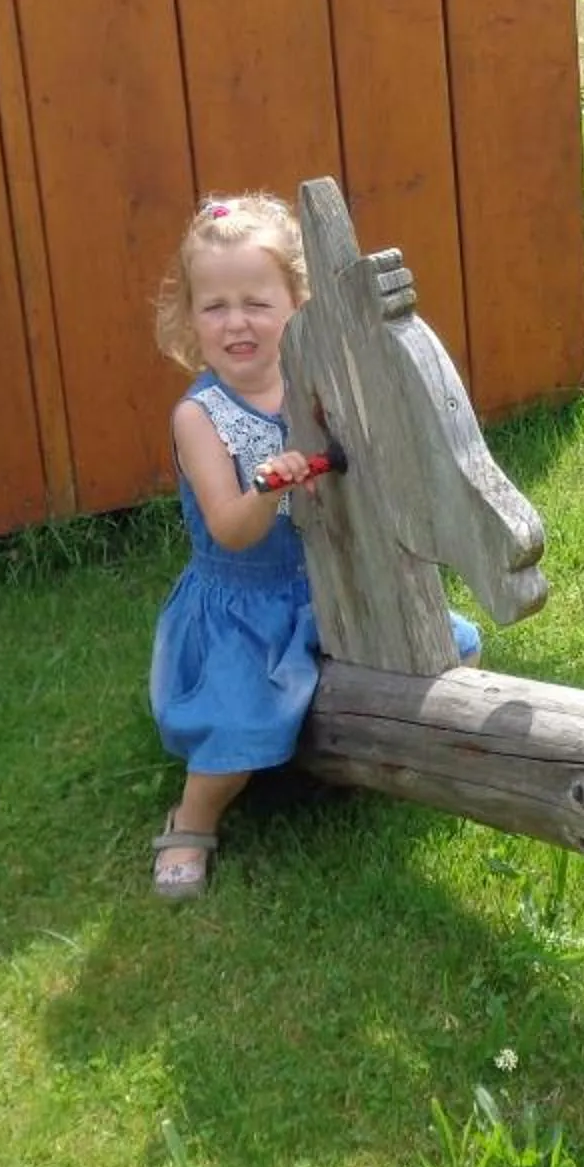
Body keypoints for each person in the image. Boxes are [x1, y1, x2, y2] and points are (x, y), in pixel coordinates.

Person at [145, 193, 477, 899]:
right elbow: (233, 531)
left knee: (445, 647)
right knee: (238, 724)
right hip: (246, 607)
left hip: (323, 582)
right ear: (190, 318)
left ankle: (360, 764)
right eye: (215, 306)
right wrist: (270, 486)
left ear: (297, 305)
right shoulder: (200, 419)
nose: (236, 322)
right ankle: (191, 818)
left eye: (256, 303)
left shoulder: (315, 388)